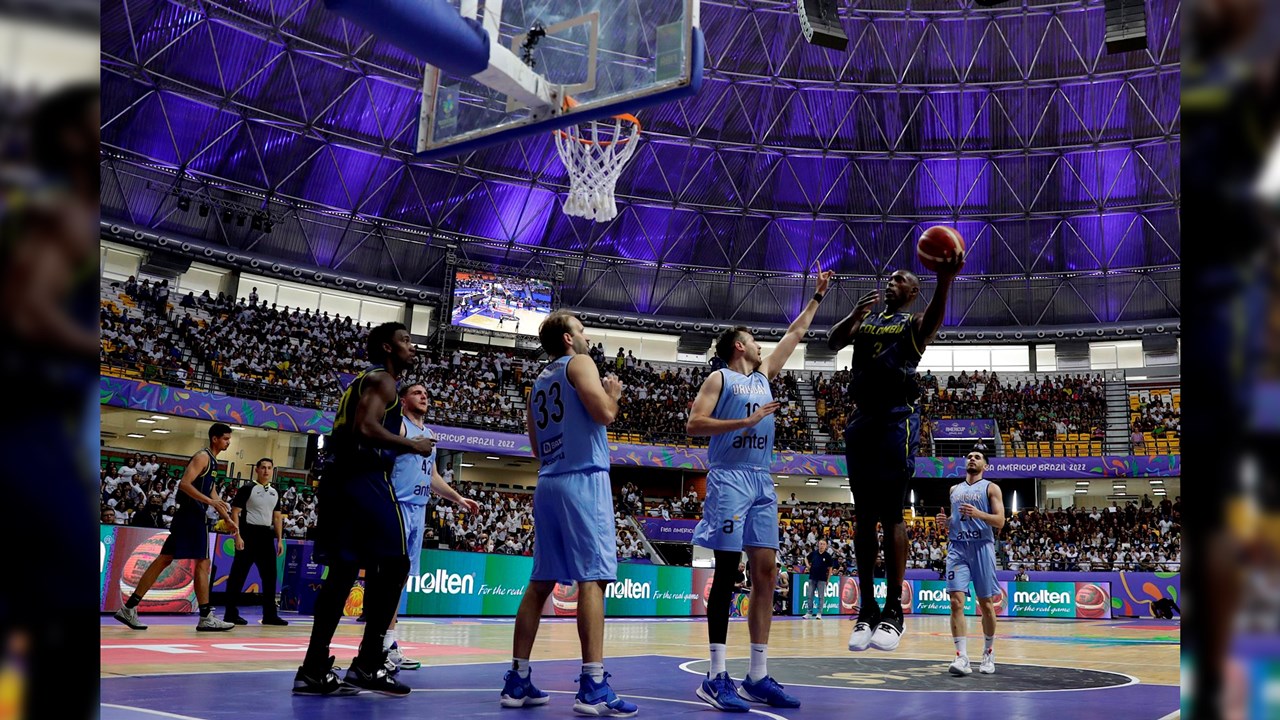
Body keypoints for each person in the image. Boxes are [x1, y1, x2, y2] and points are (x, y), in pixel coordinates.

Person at [687, 269, 832, 711]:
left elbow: (794, 334)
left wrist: (817, 298)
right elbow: (694, 424)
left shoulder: (765, 375)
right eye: (752, 340)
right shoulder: (719, 379)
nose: (760, 346)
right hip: (729, 477)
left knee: (766, 572)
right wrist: (745, 421)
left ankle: (756, 675)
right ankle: (715, 675)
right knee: (728, 573)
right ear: (738, 346)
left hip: (761, 479)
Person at [500, 310, 636, 717]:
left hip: (549, 481)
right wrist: (613, 393)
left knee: (540, 582)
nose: (586, 336)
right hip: (583, 479)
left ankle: (518, 678)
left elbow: (535, 448)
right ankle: (593, 684)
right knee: (593, 578)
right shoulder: (580, 363)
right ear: (566, 339)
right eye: (581, 329)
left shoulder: (538, 383)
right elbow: (604, 414)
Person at [828, 252, 963, 653]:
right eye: (889, 278)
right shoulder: (867, 320)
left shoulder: (912, 324)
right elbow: (833, 341)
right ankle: (866, 610)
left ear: (913, 292)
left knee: (891, 515)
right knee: (863, 517)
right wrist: (854, 315)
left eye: (899, 280)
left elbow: (933, 321)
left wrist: (944, 280)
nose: (890, 282)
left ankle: (893, 612)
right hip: (862, 419)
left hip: (896, 419)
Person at [293, 322, 438, 697]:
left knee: (343, 573)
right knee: (396, 564)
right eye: (405, 341)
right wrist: (413, 445)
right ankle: (369, 663)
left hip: (339, 480)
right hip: (364, 479)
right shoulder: (384, 381)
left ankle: (313, 668)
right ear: (388, 348)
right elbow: (365, 428)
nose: (412, 347)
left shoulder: (366, 380)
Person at [385, 383, 479, 673]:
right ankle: (378, 645)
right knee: (388, 579)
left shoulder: (429, 434)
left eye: (426, 393)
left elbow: (433, 476)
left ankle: (388, 644)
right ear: (403, 400)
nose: (424, 396)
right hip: (398, 506)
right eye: (417, 393)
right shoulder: (399, 426)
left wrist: (458, 498)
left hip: (419, 509)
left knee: (400, 581)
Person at [113, 423, 239, 632]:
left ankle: (129, 607)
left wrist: (226, 517)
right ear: (215, 438)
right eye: (226, 438)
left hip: (188, 516)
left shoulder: (213, 461)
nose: (228, 442)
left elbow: (212, 493)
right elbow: (185, 484)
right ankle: (206, 616)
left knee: (163, 560)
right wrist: (209, 502)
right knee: (203, 563)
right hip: (192, 516)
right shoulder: (203, 457)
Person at [935, 450, 1005, 676]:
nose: (972, 459)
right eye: (969, 456)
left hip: (982, 547)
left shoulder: (991, 488)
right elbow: (957, 520)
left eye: (977, 457)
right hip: (957, 547)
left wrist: (979, 514)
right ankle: (961, 657)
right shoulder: (954, 489)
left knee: (986, 604)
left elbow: (1000, 521)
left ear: (986, 465)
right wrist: (946, 522)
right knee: (955, 602)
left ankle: (988, 652)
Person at [223, 458, 288, 626]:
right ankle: (230, 613)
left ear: (272, 471)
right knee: (238, 575)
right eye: (263, 467)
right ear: (257, 470)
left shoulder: (275, 491)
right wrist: (237, 535)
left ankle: (270, 615)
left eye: (269, 468)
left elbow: (277, 517)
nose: (266, 471)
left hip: (266, 536)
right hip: (248, 533)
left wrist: (279, 540)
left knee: (270, 576)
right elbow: (235, 512)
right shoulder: (247, 488)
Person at [803, 538, 835, 620]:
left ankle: (819, 613)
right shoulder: (814, 553)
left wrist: (828, 579)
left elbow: (830, 568)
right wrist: (807, 565)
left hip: (822, 579)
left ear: (826, 546)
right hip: (812, 577)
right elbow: (806, 558)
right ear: (818, 544)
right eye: (820, 544)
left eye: (823, 544)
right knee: (810, 596)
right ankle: (809, 612)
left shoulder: (828, 556)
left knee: (821, 597)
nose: (822, 546)